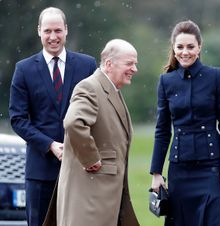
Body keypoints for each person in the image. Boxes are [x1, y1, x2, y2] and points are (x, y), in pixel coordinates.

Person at [8, 7, 96, 226]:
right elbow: (18, 119)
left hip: (80, 169)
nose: (53, 37)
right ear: (39, 31)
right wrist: (49, 145)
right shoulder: (24, 69)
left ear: (66, 30)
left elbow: (97, 113)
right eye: (47, 31)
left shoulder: (87, 66)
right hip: (40, 171)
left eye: (58, 30)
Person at [42, 39, 140, 226]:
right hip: (90, 198)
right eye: (129, 63)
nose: (134, 69)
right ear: (109, 64)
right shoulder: (90, 87)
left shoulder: (111, 89)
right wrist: (90, 158)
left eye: (135, 63)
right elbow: (73, 122)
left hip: (103, 197)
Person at [150, 20, 220, 226]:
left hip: (211, 169)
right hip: (180, 170)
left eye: (190, 46)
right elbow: (162, 130)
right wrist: (156, 173)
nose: (184, 52)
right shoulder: (166, 81)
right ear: (173, 48)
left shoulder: (215, 77)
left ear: (199, 47)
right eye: (180, 47)